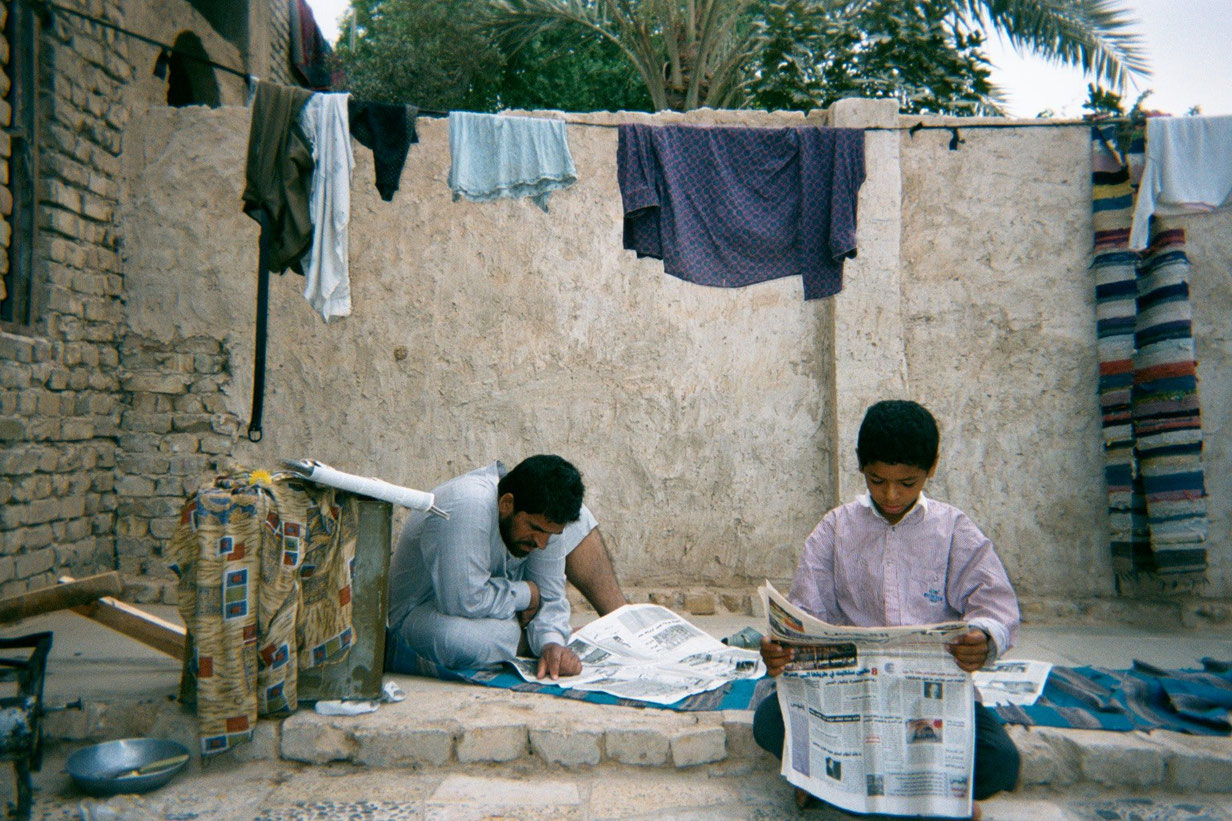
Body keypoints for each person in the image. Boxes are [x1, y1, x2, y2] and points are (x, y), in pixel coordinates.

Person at [754, 400, 1021, 816]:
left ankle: (836, 788)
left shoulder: (954, 529)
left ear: (931, 468)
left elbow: (996, 604)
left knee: (1001, 762)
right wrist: (782, 650)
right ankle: (908, 795)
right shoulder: (835, 529)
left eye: (907, 483)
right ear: (862, 469)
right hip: (850, 698)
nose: (892, 495)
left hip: (926, 703)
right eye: (878, 481)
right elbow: (805, 612)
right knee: (769, 723)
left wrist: (983, 638)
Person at [386, 455, 626, 680]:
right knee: (455, 639)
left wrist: (551, 644)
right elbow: (463, 602)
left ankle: (623, 619)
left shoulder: (541, 528)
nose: (541, 543)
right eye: (536, 529)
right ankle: (524, 642)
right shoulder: (469, 504)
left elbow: (550, 597)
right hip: (426, 613)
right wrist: (526, 594)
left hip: (493, 608)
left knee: (579, 515)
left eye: (548, 535)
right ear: (507, 503)